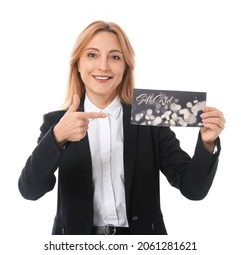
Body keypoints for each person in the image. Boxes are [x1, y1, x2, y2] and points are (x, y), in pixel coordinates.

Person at [18, 20, 225, 235]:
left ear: (125, 66)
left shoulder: (150, 118)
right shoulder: (56, 123)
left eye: (115, 57)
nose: (103, 66)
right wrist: (57, 138)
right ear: (77, 64)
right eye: (92, 55)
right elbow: (30, 190)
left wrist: (207, 143)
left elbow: (193, 189)